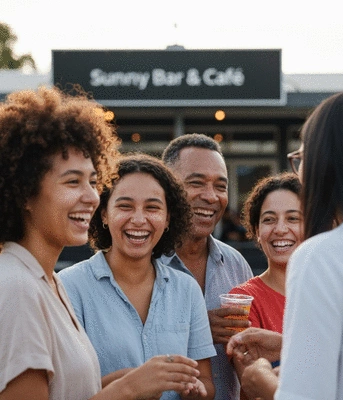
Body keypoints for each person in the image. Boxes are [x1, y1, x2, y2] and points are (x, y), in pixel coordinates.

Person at [0, 86, 204, 400]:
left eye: (93, 182)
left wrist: (136, 379)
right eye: (72, 181)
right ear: (26, 192)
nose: (92, 197)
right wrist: (129, 389)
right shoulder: (16, 285)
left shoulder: (49, 283)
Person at [228, 90, 343, 399]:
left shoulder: (321, 257)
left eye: (303, 157)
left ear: (326, 165)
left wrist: (261, 380)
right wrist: (287, 345)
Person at [59, 153, 216, 400]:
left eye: (152, 208)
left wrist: (194, 390)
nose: (139, 220)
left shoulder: (187, 289)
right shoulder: (68, 287)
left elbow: (206, 382)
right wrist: (135, 384)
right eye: (125, 206)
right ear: (103, 214)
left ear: (167, 219)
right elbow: (62, 391)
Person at [160, 133, 254, 400]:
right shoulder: (143, 264)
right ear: (167, 188)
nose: (211, 196)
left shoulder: (235, 264)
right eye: (196, 183)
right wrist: (196, 332)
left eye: (220, 186)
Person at [228, 172, 302, 399]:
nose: (280, 229)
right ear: (257, 231)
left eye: (293, 218)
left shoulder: (330, 294)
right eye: (269, 219)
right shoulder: (242, 300)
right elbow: (254, 384)